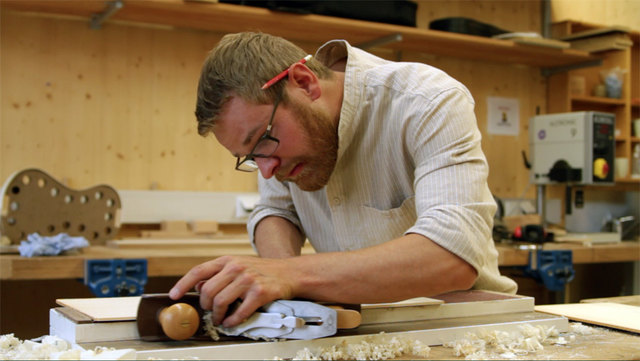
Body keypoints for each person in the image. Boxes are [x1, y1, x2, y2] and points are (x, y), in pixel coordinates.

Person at [170, 32, 517, 328]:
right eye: (250, 157)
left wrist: (290, 276)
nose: (266, 169)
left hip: (466, 320)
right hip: (352, 322)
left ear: (304, 83)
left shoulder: (426, 101)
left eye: (262, 140)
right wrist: (277, 277)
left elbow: (451, 259)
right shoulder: (277, 147)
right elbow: (276, 211)